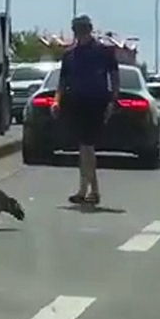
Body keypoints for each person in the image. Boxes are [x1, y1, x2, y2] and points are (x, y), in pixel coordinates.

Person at [51, 15, 119, 206]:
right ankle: (86, 190)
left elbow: (114, 77)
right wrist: (56, 102)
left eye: (83, 29)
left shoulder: (103, 52)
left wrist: (112, 101)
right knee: (84, 148)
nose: (80, 32)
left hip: (96, 102)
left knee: (87, 147)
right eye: (77, 29)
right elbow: (62, 83)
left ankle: (91, 191)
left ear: (89, 29)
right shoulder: (69, 55)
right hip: (75, 103)